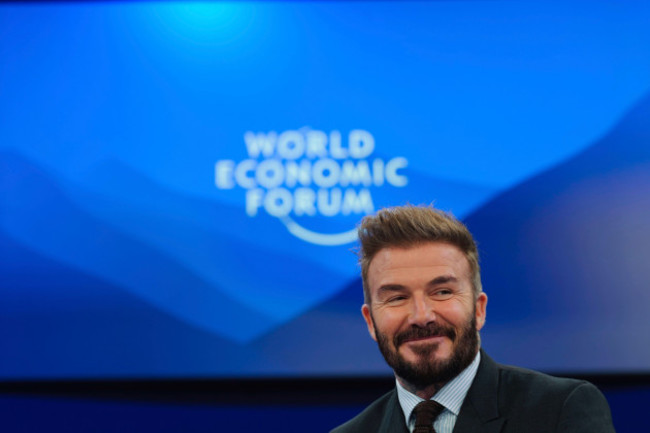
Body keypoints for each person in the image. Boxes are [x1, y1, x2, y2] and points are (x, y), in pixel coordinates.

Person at [331, 205, 615, 433]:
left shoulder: (560, 410)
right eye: (397, 298)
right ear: (370, 321)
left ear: (479, 309)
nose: (421, 316)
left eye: (442, 292)